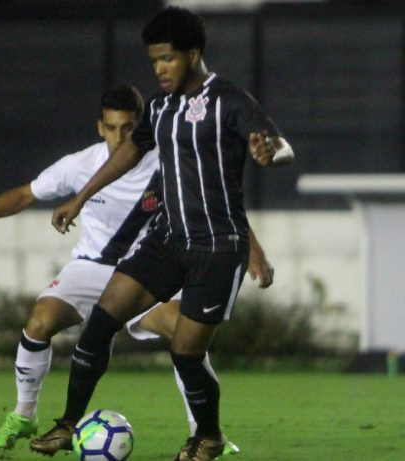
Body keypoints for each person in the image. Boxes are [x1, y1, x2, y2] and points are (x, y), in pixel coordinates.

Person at [0, 85, 272, 455]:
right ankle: (24, 415)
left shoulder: (165, 160)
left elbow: (217, 199)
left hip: (151, 269)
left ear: (141, 126)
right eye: (112, 127)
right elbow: (25, 194)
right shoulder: (80, 164)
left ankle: (204, 431)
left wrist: (254, 251)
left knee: (184, 336)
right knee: (39, 322)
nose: (120, 136)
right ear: (100, 127)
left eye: (128, 128)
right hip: (92, 266)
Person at [34, 6, 294, 461]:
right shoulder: (158, 107)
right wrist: (80, 196)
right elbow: (129, 154)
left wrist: (270, 152)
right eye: (154, 60)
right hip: (168, 239)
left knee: (186, 354)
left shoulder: (229, 100)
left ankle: (208, 437)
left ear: (193, 54)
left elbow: (280, 144)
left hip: (216, 247)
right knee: (100, 322)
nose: (159, 69)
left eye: (168, 59)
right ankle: (69, 423)